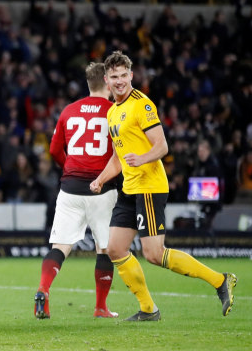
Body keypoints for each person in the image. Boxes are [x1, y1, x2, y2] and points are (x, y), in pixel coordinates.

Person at [89, 51, 236, 321]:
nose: (120, 81)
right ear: (107, 81)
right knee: (115, 249)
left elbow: (162, 146)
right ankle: (148, 310)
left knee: (154, 254)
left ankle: (220, 280)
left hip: (149, 186)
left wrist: (141, 158)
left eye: (124, 75)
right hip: (129, 189)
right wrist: (100, 179)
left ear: (131, 76)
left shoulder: (142, 104)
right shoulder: (113, 112)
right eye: (114, 77)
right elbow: (117, 157)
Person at [34, 62, 119, 320]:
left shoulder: (69, 111)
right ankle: (101, 307)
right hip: (102, 189)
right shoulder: (115, 111)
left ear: (88, 84)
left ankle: (43, 289)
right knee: (104, 248)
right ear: (107, 82)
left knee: (61, 245)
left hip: (70, 187)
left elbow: (53, 150)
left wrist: (70, 165)